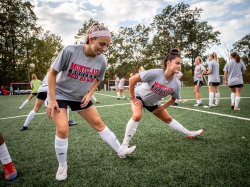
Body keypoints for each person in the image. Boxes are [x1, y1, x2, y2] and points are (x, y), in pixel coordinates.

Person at [46, 22, 136, 181]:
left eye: (107, 45)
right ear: (90, 38)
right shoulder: (70, 50)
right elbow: (52, 73)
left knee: (99, 124)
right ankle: (62, 165)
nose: (104, 48)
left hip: (80, 96)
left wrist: (89, 93)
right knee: (63, 129)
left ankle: (120, 150)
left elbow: (98, 79)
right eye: (102, 44)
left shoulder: (102, 60)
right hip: (59, 94)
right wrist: (52, 99)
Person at [121, 48, 204, 150]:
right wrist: (133, 98)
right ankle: (124, 145)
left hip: (153, 103)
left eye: (180, 64)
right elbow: (132, 79)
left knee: (168, 119)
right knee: (137, 116)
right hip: (139, 96)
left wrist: (162, 108)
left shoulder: (176, 84)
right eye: (177, 63)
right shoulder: (155, 73)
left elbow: (174, 99)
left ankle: (190, 133)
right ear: (168, 63)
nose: (179, 66)